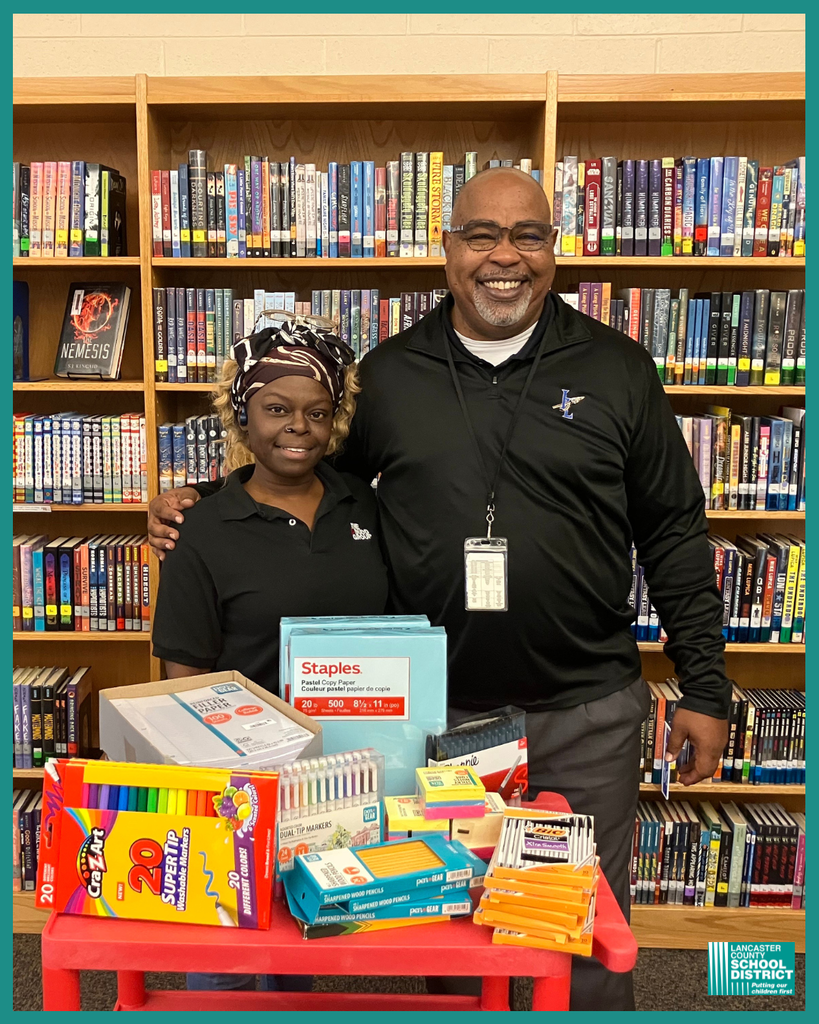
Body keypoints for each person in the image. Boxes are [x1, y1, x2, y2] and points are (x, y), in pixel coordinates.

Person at [148, 168, 729, 1011]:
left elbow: (673, 530)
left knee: (583, 937)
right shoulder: (389, 374)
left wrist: (704, 686)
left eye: (527, 235)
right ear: (447, 249)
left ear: (553, 249)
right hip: (438, 722)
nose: (504, 257)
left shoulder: (617, 368)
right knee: (451, 933)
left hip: (586, 711)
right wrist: (202, 505)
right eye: (481, 236)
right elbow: (304, 473)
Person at [152, 316, 388, 992]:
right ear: (242, 416)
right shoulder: (200, 528)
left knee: (298, 954)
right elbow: (184, 676)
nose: (299, 427)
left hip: (341, 772)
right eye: (276, 409)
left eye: (318, 412)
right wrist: (213, 793)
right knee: (223, 960)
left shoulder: (367, 510)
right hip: (239, 782)